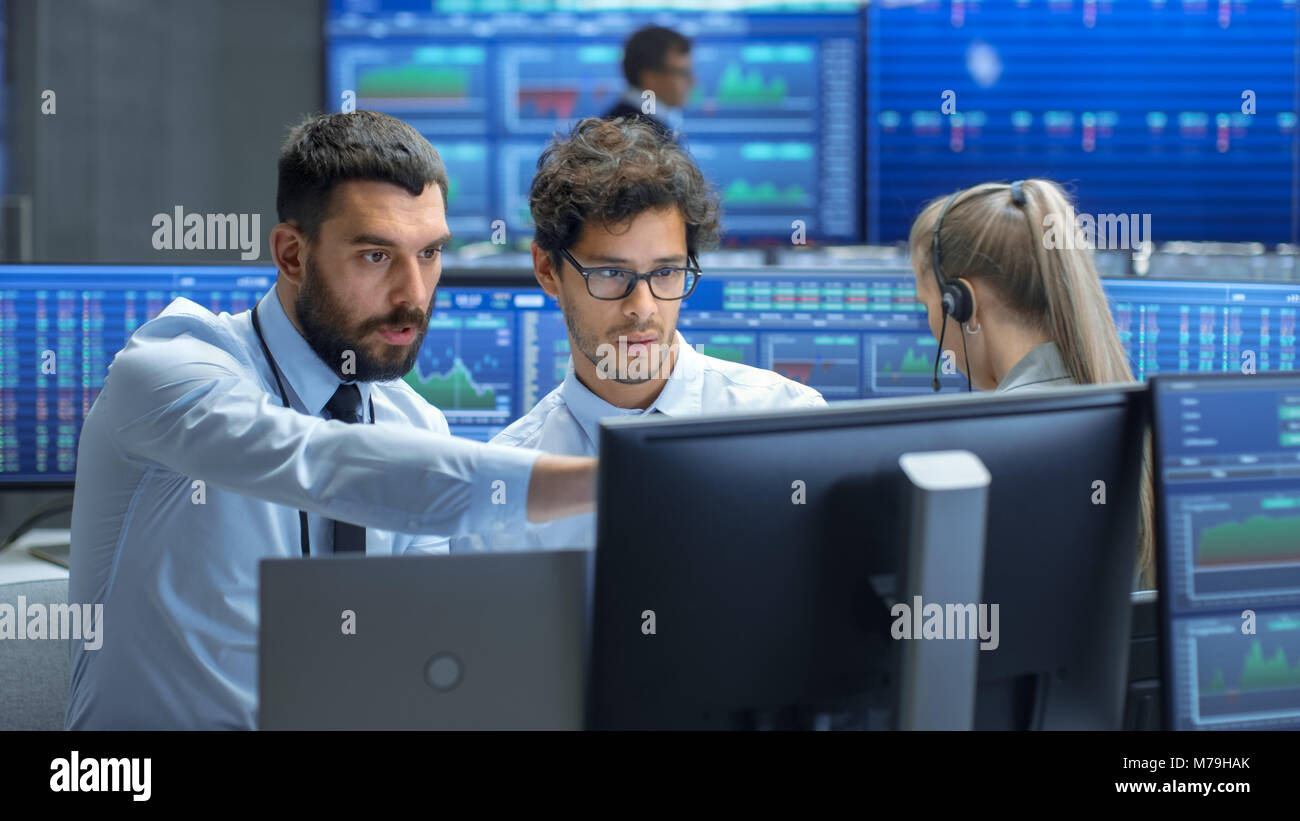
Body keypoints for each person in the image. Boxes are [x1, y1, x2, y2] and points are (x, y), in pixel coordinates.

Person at [65, 111, 595, 729]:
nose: (413, 293)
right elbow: (318, 461)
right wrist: (593, 483)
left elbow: (415, 664)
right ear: (292, 254)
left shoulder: (415, 424)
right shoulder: (171, 369)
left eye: (429, 254)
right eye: (376, 256)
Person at [453, 117, 824, 552]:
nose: (643, 308)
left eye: (666, 272)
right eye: (612, 273)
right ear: (547, 270)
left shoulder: (785, 424)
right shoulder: (504, 489)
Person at [907, 177, 1154, 588]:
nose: (931, 324)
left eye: (927, 305)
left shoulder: (973, 457)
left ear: (961, 302)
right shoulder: (1134, 423)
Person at [603, 25, 693, 138]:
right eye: (683, 73)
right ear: (651, 77)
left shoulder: (618, 121)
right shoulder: (639, 136)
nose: (692, 81)